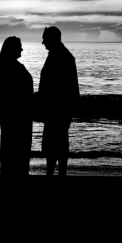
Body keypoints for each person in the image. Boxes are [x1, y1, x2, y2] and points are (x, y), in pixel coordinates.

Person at [38, 27, 80, 176]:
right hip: (56, 108)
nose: (42, 42)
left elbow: (70, 88)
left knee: (57, 142)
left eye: (45, 38)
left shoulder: (63, 57)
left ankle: (58, 173)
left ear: (53, 38)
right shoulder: (58, 55)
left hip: (58, 109)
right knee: (56, 141)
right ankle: (56, 172)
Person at [0, 36, 33, 175]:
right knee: (16, 151)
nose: (22, 48)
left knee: (12, 150)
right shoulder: (8, 68)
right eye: (19, 46)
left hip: (16, 116)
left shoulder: (6, 66)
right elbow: (9, 95)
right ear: (11, 48)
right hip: (16, 117)